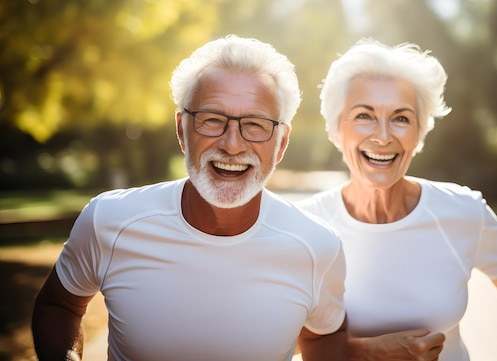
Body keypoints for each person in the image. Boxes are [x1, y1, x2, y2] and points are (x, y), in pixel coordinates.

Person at [31, 35, 348, 361]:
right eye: (213, 120)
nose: (232, 144)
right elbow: (59, 304)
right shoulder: (109, 219)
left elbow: (326, 336)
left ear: (281, 143)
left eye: (254, 124)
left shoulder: (318, 246)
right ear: (182, 130)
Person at [297, 38, 497, 361]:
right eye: (364, 115)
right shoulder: (306, 228)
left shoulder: (464, 211)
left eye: (401, 118)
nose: (383, 136)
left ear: (419, 134)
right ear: (335, 129)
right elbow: (280, 342)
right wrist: (370, 352)